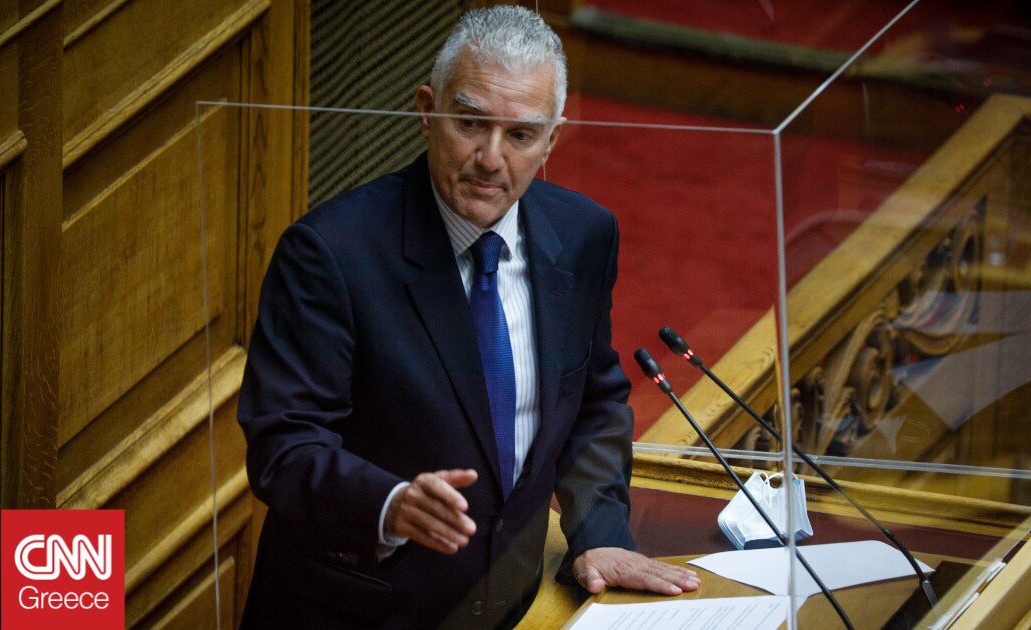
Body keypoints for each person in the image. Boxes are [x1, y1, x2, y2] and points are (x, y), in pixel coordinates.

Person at [237, 6, 698, 628]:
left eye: (521, 135)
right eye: (471, 123)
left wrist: (599, 531)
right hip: (360, 608)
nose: (490, 158)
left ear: (552, 140)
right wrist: (390, 503)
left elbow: (592, 401)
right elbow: (283, 444)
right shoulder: (330, 253)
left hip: (513, 603)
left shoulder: (583, 234)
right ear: (427, 111)